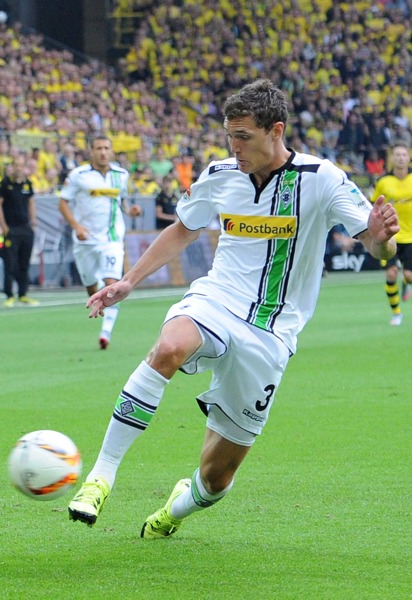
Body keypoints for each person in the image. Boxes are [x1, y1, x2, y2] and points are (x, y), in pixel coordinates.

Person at [67, 79, 398, 539]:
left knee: (215, 479)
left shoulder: (321, 179)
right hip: (217, 300)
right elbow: (183, 229)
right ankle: (101, 476)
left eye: (243, 137)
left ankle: (175, 512)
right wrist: (129, 281)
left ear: (276, 130)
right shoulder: (221, 174)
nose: (234, 147)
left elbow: (377, 246)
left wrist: (383, 240)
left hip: (272, 332)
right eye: (230, 136)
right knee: (170, 346)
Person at [58, 136, 142, 349]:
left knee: (112, 285)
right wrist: (77, 226)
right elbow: (63, 203)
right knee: (91, 287)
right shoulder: (78, 175)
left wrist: (129, 211)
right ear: (91, 152)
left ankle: (105, 333)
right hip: (85, 241)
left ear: (112, 151)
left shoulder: (121, 175)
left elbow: (121, 201)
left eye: (106, 148)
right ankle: (98, 307)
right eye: (99, 148)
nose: (103, 152)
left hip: (112, 238)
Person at [372, 142, 412, 325]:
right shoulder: (383, 182)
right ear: (392, 158)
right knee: (391, 274)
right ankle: (397, 313)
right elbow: (374, 207)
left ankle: (406, 283)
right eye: (397, 155)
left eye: (404, 154)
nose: (401, 158)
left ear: (409, 157)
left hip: (411, 237)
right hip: (391, 236)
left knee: (409, 277)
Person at [0, 154, 39, 307]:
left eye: (21, 165)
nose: (18, 168)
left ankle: (23, 293)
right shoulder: (5, 183)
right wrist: (4, 226)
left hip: (25, 228)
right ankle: (9, 294)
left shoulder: (28, 184)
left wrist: (33, 221)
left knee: (24, 262)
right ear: (12, 166)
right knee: (10, 262)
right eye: (16, 165)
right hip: (11, 229)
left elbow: (31, 203)